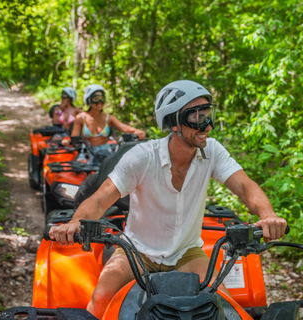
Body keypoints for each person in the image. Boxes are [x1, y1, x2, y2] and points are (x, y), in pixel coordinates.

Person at [50, 80, 287, 318]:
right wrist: (75, 222)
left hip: (187, 253)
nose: (207, 125)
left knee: (224, 307)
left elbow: (245, 186)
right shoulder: (142, 157)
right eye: (196, 116)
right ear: (173, 123)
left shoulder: (211, 151)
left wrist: (268, 216)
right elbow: (101, 199)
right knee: (101, 297)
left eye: (208, 114)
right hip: (136, 252)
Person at [66, 84, 145, 155]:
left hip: (106, 151)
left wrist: (137, 131)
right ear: (89, 100)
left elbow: (124, 128)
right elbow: (74, 138)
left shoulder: (108, 118)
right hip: (87, 152)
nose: (99, 102)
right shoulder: (81, 118)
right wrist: (68, 141)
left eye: (102, 98)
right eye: (96, 99)